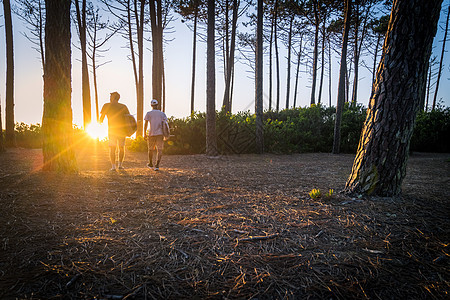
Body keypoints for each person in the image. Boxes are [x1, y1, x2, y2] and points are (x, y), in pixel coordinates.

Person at [99, 92, 130, 171]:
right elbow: (129, 118)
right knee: (121, 147)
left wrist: (100, 121)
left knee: (112, 148)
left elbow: (101, 118)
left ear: (113, 97)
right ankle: (120, 165)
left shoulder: (106, 105)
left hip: (112, 130)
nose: (109, 98)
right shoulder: (123, 106)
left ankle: (113, 167)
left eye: (110, 96)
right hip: (122, 131)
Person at [144, 99, 168, 171]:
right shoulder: (162, 114)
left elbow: (146, 124)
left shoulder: (149, 113)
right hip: (160, 134)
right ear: (157, 105)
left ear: (151, 105)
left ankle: (150, 163)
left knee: (150, 149)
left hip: (151, 134)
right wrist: (166, 134)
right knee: (159, 150)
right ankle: (157, 165)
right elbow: (166, 124)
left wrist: (144, 133)